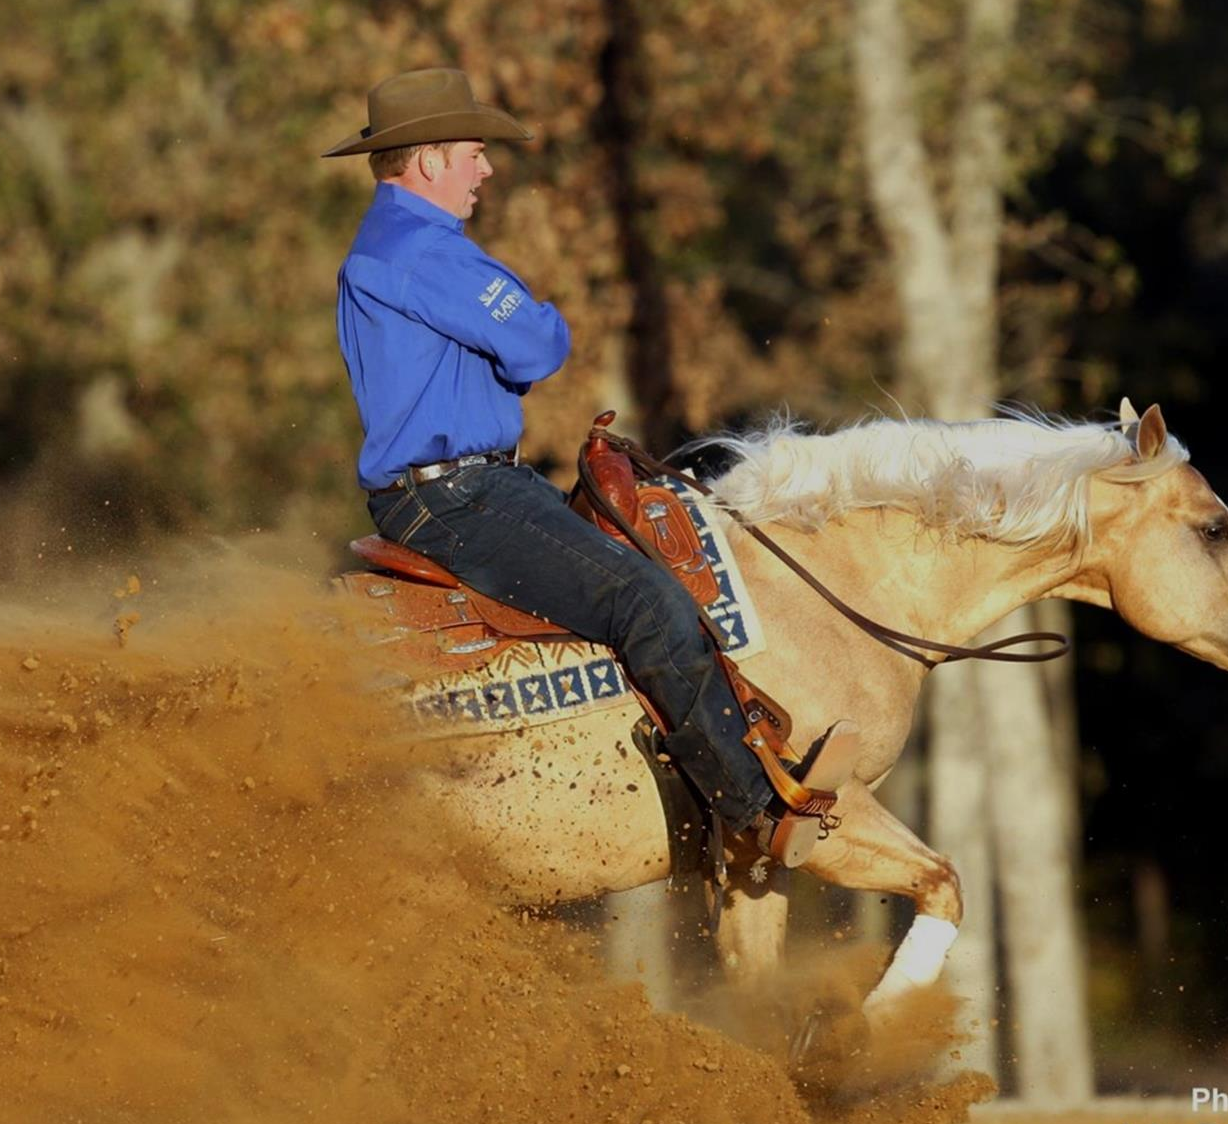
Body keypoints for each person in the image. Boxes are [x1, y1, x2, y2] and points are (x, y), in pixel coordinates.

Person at [322, 68, 853, 864]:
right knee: (645, 598)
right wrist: (527, 332)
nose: (486, 168)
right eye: (474, 152)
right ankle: (751, 807)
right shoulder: (420, 253)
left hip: (458, 488)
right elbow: (539, 343)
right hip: (459, 494)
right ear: (428, 161)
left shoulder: (400, 248)